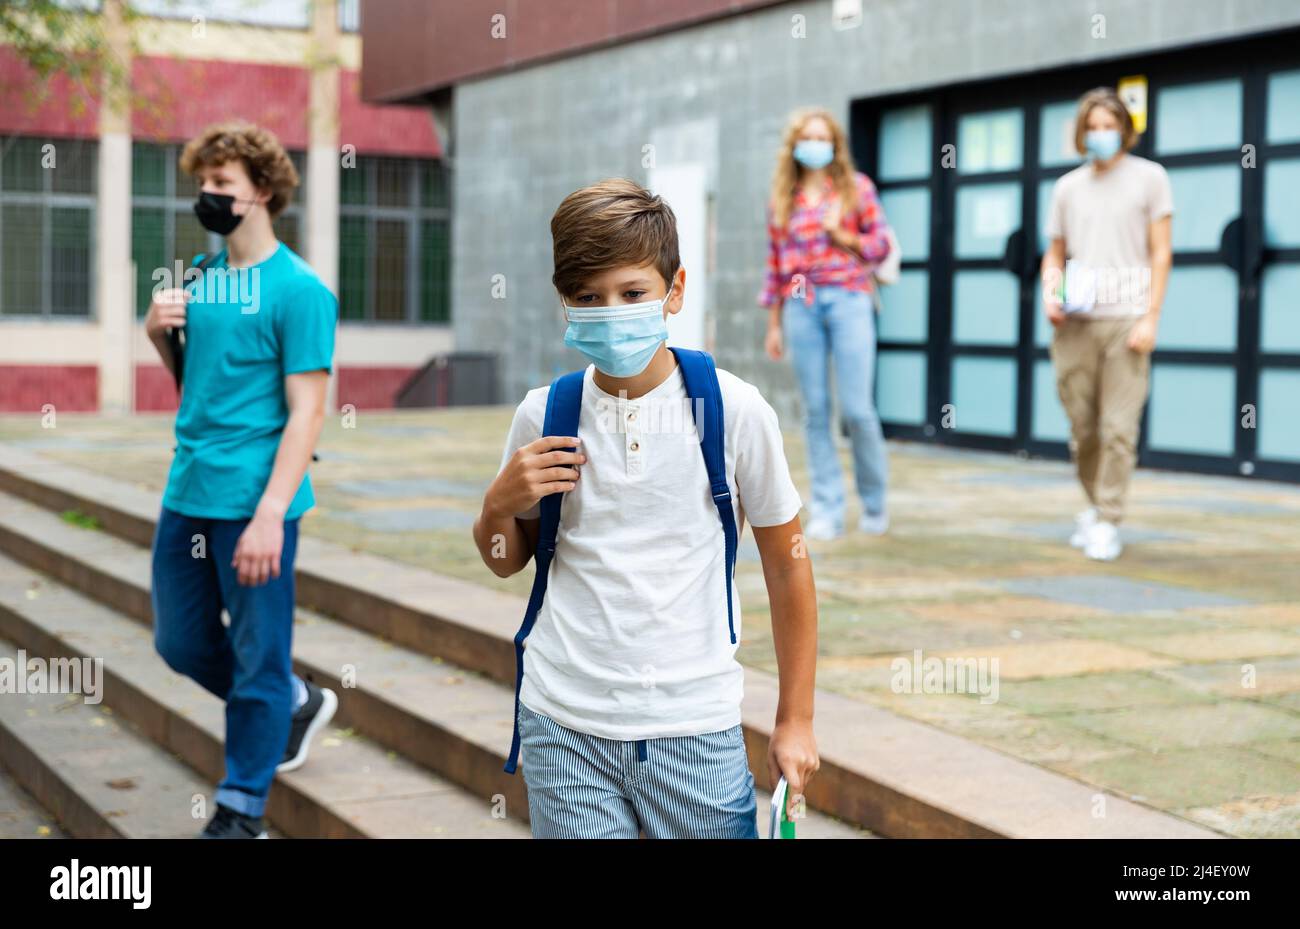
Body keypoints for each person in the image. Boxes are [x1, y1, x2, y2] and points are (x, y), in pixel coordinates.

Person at [473, 178, 820, 838]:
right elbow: (504, 560)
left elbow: (788, 564)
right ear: (564, 303)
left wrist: (795, 717)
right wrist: (499, 503)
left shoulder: (734, 409)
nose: (612, 311)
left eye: (632, 293)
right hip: (564, 723)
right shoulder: (543, 414)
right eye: (588, 297)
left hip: (694, 725)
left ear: (675, 290)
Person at [143, 122, 339, 838]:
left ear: (262, 191)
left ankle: (242, 809)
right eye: (203, 184)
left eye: (222, 185)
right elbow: (194, 389)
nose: (208, 196)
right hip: (187, 488)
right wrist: (160, 334)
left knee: (258, 651)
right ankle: (289, 699)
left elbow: (308, 412)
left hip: (257, 499)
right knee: (181, 643)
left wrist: (270, 514)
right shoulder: (198, 279)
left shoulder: (300, 291)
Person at [1041, 87, 1173, 561]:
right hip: (1075, 322)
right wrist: (1051, 295)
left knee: (1119, 427)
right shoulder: (1067, 187)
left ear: (1124, 129)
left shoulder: (1150, 178)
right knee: (1084, 430)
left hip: (1126, 320)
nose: (1100, 135)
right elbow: (1055, 252)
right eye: (1092, 127)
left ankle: (1109, 518)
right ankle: (1095, 507)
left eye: (1108, 125)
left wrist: (1151, 317)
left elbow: (1161, 252)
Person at [759, 106, 894, 541]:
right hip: (801, 304)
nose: (815, 145)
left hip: (851, 299)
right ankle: (827, 508)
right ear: (795, 146)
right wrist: (774, 324)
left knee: (858, 410)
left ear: (835, 145)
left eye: (823, 138)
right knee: (817, 411)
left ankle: (874, 502)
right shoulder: (783, 198)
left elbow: (881, 245)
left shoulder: (856, 189)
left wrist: (843, 236)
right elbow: (776, 266)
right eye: (807, 138)